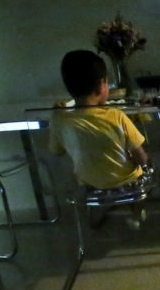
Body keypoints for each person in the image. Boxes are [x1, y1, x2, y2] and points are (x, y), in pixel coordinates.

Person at [50, 50, 149, 192]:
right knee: (143, 163)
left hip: (88, 187)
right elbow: (141, 157)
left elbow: (56, 151)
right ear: (101, 85)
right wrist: (146, 164)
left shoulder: (59, 118)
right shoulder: (116, 115)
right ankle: (138, 213)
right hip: (128, 184)